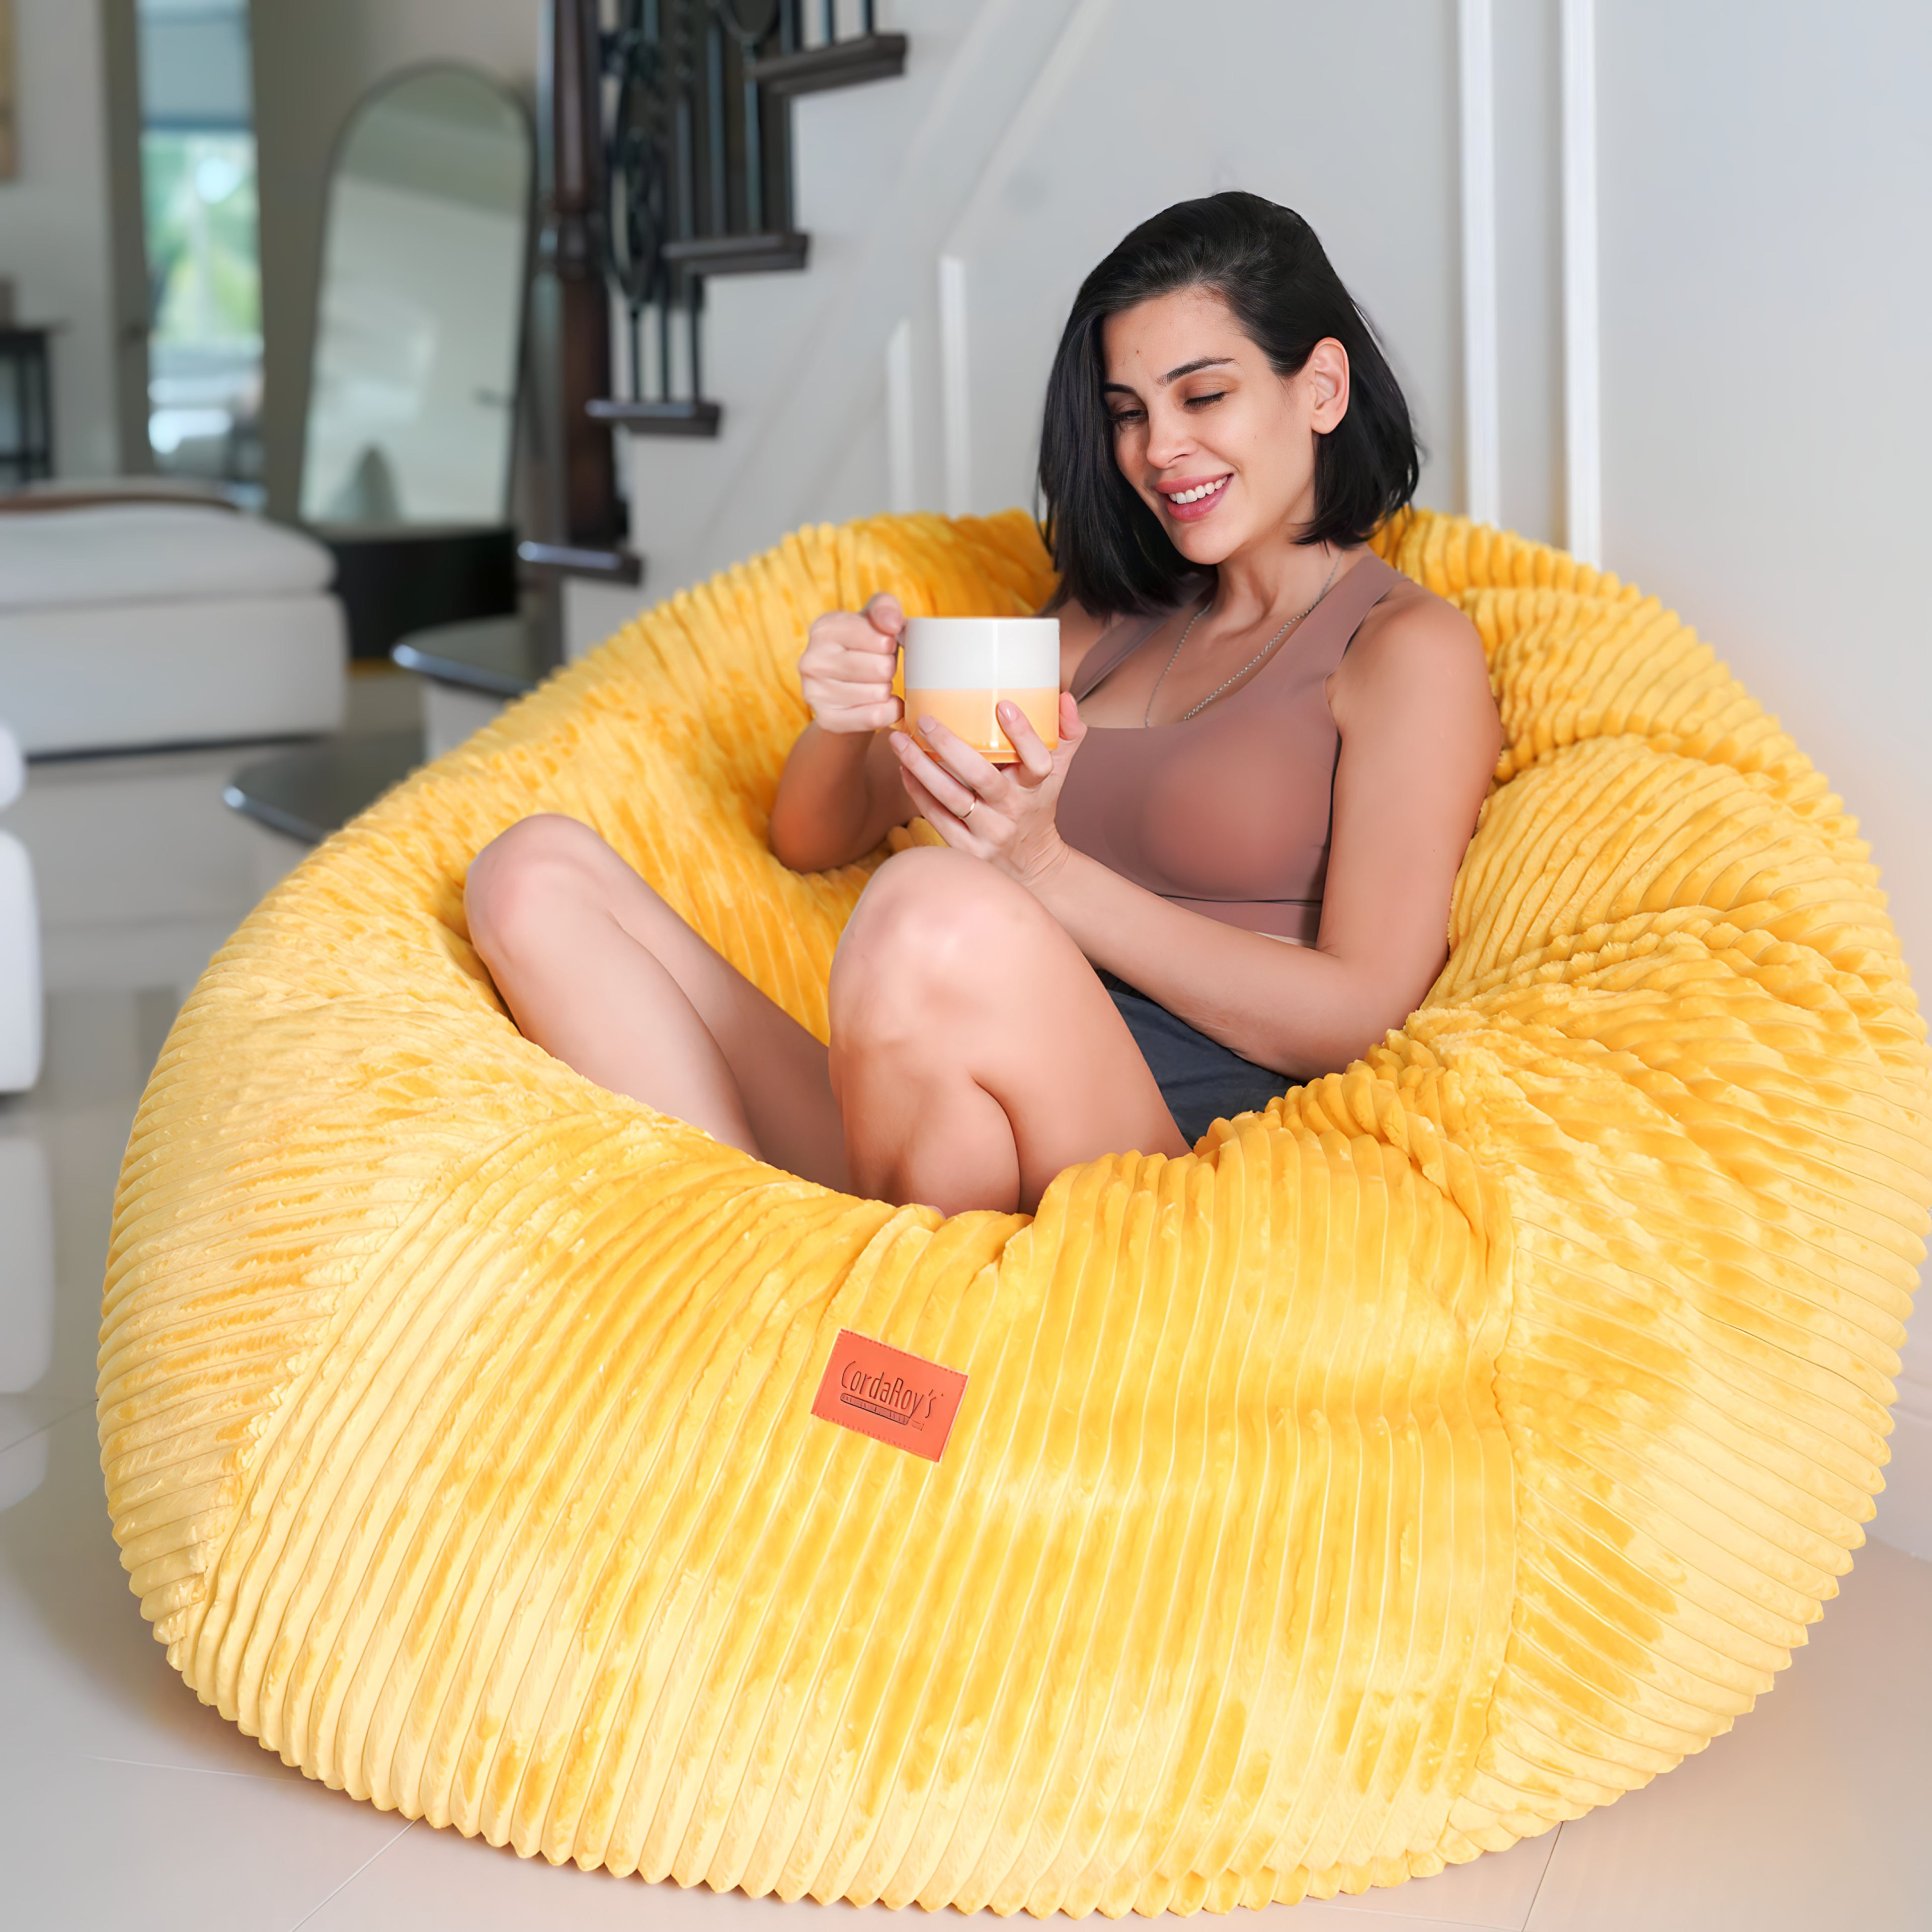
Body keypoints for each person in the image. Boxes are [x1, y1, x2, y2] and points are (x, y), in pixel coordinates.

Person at [464, 193, 1501, 1218]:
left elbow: (1362, 1011)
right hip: (932, 1119)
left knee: (931, 912)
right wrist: (849, 713)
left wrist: (1043, 871)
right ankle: (764, 1269)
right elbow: (815, 836)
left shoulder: (1403, 649)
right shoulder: (1112, 622)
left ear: (1320, 389)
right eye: (1129, 412)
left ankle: (863, 1307)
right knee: (532, 876)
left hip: (1156, 1164)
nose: (1158, 450)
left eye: (1203, 396)